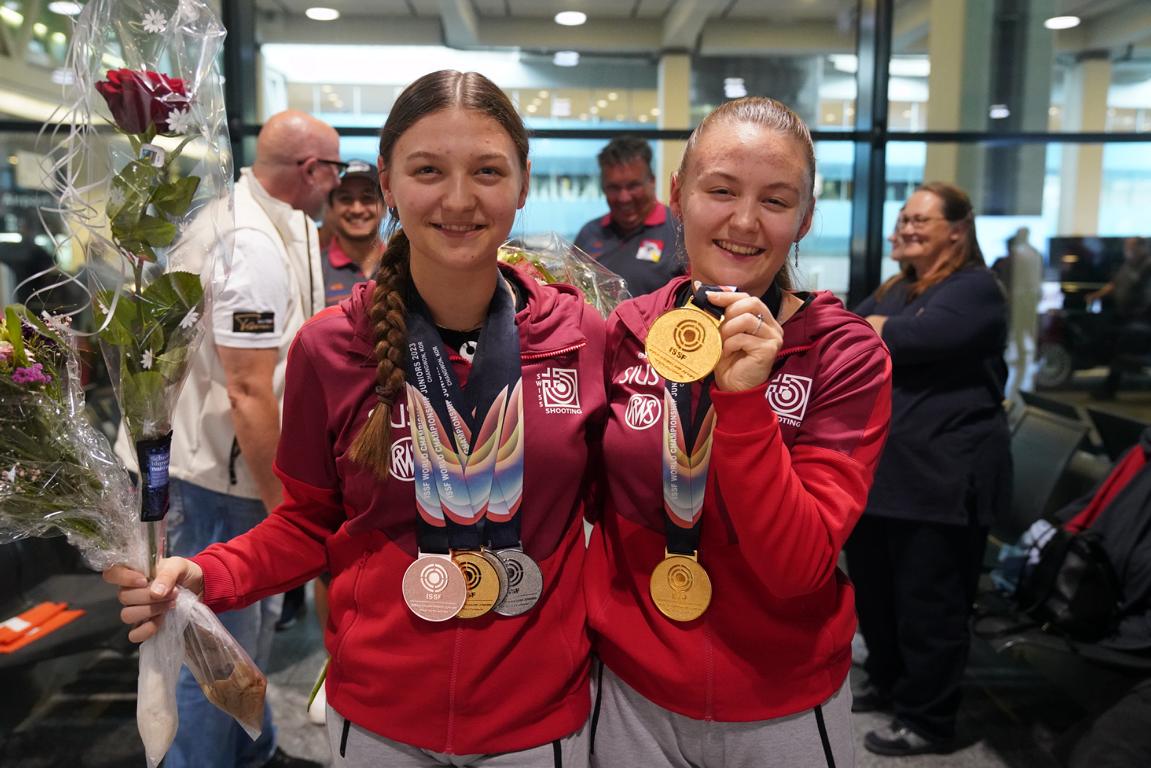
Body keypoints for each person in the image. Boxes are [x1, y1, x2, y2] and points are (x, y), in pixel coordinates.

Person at [106, 70, 605, 767]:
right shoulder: (330, 346)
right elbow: (310, 521)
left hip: (540, 717)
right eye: (428, 169)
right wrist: (207, 574)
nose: (458, 199)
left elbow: (617, 518)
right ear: (389, 186)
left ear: (521, 186)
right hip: (379, 718)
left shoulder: (581, 338)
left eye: (487, 171)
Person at [585, 97, 892, 768]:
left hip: (779, 699)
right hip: (631, 691)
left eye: (776, 201)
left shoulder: (842, 355)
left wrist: (744, 403)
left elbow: (797, 568)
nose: (744, 222)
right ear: (678, 195)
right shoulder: (622, 332)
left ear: (804, 219)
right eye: (720, 190)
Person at [113, 109, 340, 768]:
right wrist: (286, 508)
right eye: (333, 169)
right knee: (208, 648)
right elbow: (247, 391)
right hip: (216, 478)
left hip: (224, 471)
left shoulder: (282, 221)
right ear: (310, 171)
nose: (337, 184)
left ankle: (252, 749)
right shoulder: (246, 242)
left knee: (243, 640)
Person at [847, 182, 1011, 757]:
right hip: (886, 477)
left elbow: (918, 338)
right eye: (905, 217)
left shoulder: (975, 290)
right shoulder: (901, 286)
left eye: (922, 219)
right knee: (878, 593)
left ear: (957, 231)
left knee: (929, 603)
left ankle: (928, 719)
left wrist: (881, 331)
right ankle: (891, 684)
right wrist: (877, 329)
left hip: (943, 476)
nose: (908, 226)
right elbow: (850, 331)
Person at [574, 135, 685, 296]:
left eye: (633, 186)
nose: (624, 198)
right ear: (603, 188)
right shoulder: (589, 233)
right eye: (614, 187)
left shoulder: (679, 230)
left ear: (652, 181)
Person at [1087, 236, 1151, 399]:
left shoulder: (1147, 265)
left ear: (1140, 248)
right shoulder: (1129, 265)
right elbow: (1115, 284)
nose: (1126, 251)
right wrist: (1096, 295)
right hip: (1126, 316)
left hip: (1142, 318)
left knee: (1122, 346)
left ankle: (1109, 389)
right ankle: (1109, 388)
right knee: (1114, 344)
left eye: (1129, 247)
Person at [320, 159, 386, 306]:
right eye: (346, 199)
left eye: (367, 198)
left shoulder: (404, 266)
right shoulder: (315, 269)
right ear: (331, 208)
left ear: (385, 206)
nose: (357, 209)